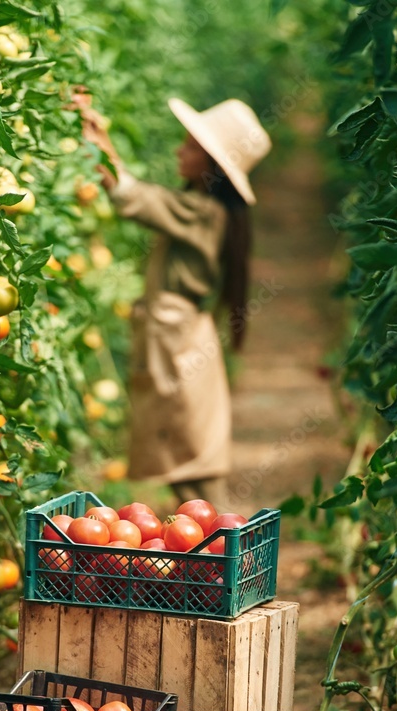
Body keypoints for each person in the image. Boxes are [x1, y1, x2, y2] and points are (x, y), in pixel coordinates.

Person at [81, 97, 271, 508]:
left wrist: (98, 144)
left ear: (213, 166)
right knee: (189, 461)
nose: (178, 151)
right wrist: (102, 142)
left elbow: (135, 198)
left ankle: (218, 561)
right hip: (180, 337)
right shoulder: (205, 210)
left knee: (191, 464)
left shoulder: (205, 212)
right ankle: (215, 558)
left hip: (178, 343)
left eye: (190, 147)